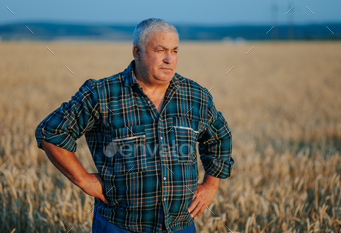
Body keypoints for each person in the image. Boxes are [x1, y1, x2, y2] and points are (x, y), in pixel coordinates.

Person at [35, 18, 234, 233]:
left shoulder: (196, 96)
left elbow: (219, 137)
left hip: (180, 226)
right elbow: (51, 132)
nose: (169, 59)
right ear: (136, 52)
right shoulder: (102, 94)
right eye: (161, 50)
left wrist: (211, 185)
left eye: (175, 51)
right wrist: (84, 180)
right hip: (119, 225)